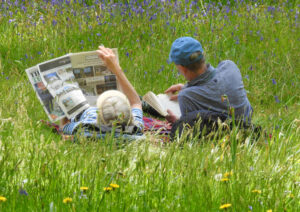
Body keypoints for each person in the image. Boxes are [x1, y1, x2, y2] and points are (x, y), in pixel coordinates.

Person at [165, 37, 253, 136]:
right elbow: (215, 85)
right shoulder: (230, 66)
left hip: (227, 135)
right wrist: (185, 87)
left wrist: (177, 121)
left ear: (182, 68)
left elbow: (192, 127)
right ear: (203, 55)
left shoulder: (186, 97)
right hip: (248, 126)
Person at [60, 46, 144, 140]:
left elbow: (64, 125)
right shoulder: (134, 129)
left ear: (98, 117)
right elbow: (136, 102)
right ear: (129, 117)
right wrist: (116, 68)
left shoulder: (85, 126)